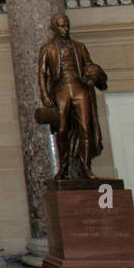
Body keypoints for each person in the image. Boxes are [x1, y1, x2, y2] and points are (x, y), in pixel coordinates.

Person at [37, 12, 107, 180]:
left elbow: (88, 65)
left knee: (85, 127)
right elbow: (42, 73)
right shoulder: (48, 48)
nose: (65, 29)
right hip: (61, 90)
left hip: (79, 88)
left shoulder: (79, 47)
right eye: (61, 26)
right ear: (54, 28)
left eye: (67, 25)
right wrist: (45, 95)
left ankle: (86, 167)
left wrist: (92, 77)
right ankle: (64, 166)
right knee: (62, 130)